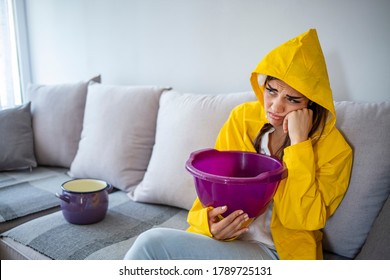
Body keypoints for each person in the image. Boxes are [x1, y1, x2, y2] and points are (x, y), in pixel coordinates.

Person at [124, 29, 353, 260]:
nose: (275, 107)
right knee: (149, 244)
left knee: (150, 245)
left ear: (312, 105)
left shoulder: (335, 150)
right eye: (271, 91)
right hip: (227, 242)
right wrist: (210, 225)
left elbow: (303, 219)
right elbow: (213, 189)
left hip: (278, 254)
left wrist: (300, 144)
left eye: (292, 100)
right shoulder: (243, 119)